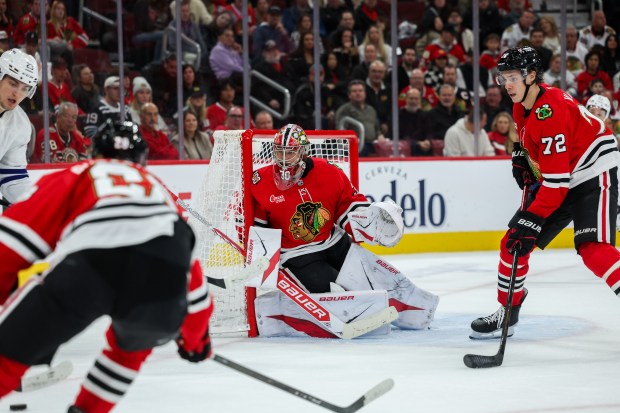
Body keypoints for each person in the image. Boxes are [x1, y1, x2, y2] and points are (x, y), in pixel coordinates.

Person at [0, 120, 214, 412]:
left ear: (94, 153)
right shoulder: (159, 191)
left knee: (7, 356)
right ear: (143, 161)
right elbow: (192, 280)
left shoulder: (80, 172)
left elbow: (11, 246)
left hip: (90, 267)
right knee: (130, 349)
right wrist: (196, 340)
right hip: (162, 274)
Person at [469, 46, 620, 339]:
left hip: (592, 170)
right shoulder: (520, 106)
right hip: (560, 175)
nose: (507, 84)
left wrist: (533, 218)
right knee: (513, 243)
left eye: (513, 76)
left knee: (593, 249)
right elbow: (542, 169)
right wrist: (525, 162)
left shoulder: (550, 111)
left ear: (532, 76)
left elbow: (557, 183)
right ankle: (508, 310)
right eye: (504, 77)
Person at [251, 123, 438, 333]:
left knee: (372, 281)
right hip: (297, 254)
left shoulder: (329, 172)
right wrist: (261, 256)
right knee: (332, 294)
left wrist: (368, 221)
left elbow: (347, 206)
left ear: (303, 151)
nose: (284, 158)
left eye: (291, 151)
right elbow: (257, 226)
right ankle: (275, 312)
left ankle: (416, 312)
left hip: (335, 243)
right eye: (280, 151)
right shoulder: (260, 181)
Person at [0, 48, 38, 204]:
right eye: (13, 84)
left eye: (25, 88)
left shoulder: (20, 124)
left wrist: (34, 202)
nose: (17, 94)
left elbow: (13, 177)